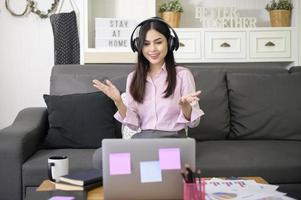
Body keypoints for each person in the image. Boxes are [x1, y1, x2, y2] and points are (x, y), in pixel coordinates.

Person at [91, 17, 204, 169]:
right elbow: (133, 125)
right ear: (139, 47)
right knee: (100, 157)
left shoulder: (183, 75)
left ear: (170, 43)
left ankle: (145, 178)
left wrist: (185, 107)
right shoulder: (133, 78)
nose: (152, 49)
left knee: (157, 164)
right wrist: (118, 101)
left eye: (158, 42)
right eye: (146, 44)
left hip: (174, 141)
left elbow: (194, 122)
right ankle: (136, 183)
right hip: (143, 140)